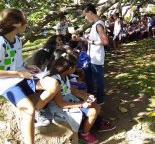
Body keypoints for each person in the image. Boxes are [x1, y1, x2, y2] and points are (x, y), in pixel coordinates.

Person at [0, 8, 59, 144]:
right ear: (16, 24)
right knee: (28, 110)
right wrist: (18, 73)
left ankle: (38, 111)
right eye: (24, 22)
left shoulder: (18, 40)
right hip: (6, 83)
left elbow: (18, 61)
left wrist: (27, 66)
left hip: (22, 77)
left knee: (53, 84)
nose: (26, 25)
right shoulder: (0, 43)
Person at [45, 49, 100, 144]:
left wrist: (86, 96)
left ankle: (83, 130)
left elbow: (71, 90)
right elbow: (61, 104)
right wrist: (82, 104)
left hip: (69, 101)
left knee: (97, 107)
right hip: (59, 108)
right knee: (92, 111)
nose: (76, 68)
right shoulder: (55, 81)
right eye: (75, 66)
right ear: (69, 68)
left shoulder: (64, 76)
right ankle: (84, 134)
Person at [82, 3, 109, 105]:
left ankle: (101, 99)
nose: (85, 17)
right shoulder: (96, 24)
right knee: (90, 78)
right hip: (92, 57)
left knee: (98, 79)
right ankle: (92, 97)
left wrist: (91, 42)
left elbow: (105, 42)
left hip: (96, 57)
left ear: (90, 12)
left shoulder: (98, 25)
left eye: (85, 15)